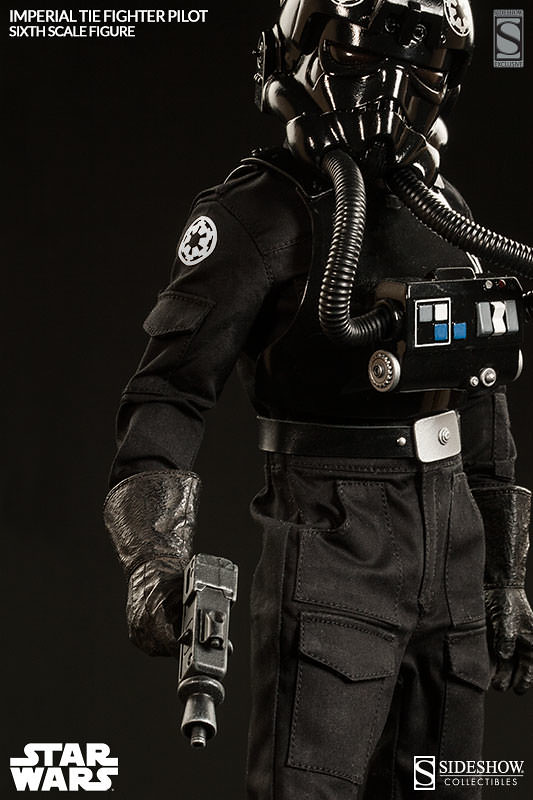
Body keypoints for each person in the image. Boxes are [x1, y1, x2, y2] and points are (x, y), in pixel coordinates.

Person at [104, 2, 533, 797]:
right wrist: (153, 556)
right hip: (334, 539)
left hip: (453, 546)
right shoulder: (259, 214)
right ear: (302, 49)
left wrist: (503, 573)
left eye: (421, 58)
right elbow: (170, 391)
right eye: (364, 49)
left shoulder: (447, 212)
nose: (390, 82)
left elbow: (479, 393)